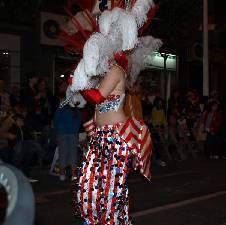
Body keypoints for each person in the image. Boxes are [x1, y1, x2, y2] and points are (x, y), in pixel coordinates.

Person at [59, 1, 161, 224]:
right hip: (101, 136)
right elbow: (91, 104)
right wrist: (80, 84)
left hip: (115, 137)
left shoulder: (116, 71)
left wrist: (79, 84)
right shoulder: (103, 74)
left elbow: (97, 97)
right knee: (88, 185)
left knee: (111, 190)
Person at [53, 103, 81, 181]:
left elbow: (55, 120)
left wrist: (58, 130)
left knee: (63, 154)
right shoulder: (76, 109)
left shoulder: (61, 108)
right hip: (73, 134)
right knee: (73, 154)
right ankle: (74, 175)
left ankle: (62, 174)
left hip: (62, 134)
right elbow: (79, 121)